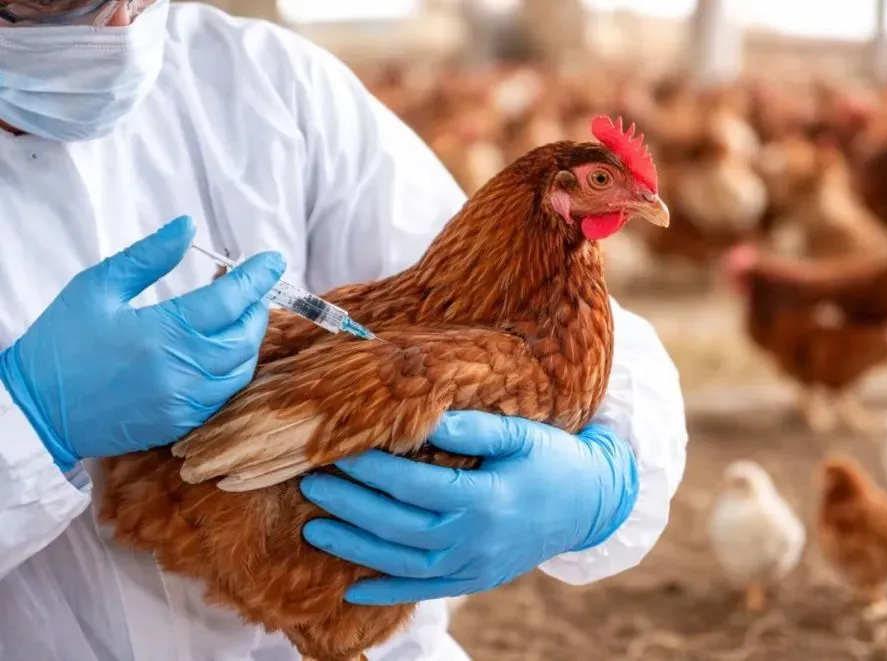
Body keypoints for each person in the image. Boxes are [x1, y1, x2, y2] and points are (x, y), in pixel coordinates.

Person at [0, 1, 688, 659]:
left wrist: (610, 473)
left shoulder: (264, 83)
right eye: (48, 1)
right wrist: (27, 424)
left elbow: (579, 344)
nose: (119, 22)